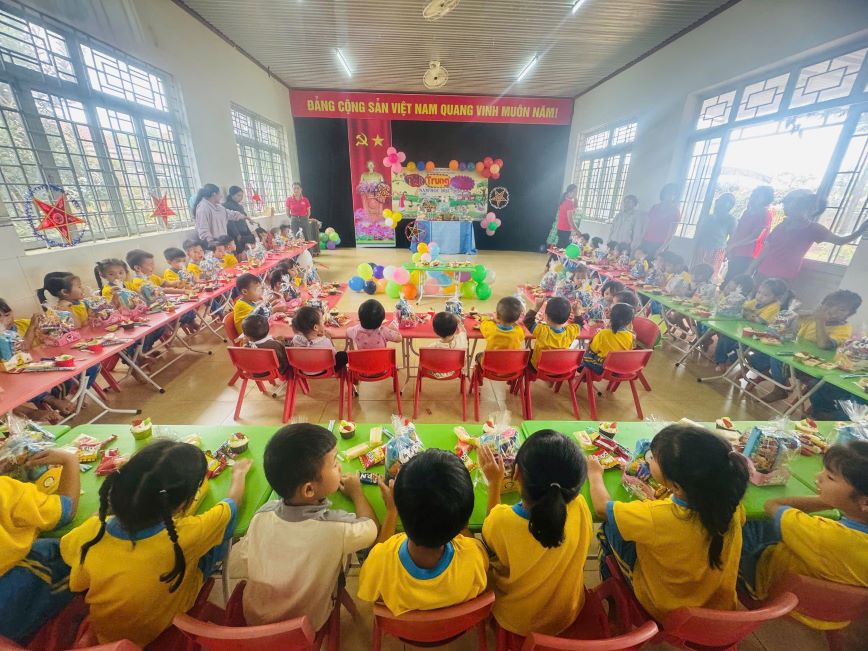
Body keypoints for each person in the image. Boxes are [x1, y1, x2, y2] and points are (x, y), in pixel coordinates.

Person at [59, 440, 251, 646]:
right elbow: (232, 505)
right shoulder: (188, 533)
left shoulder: (91, 530)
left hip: (107, 632)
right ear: (183, 503)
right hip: (162, 623)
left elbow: (76, 574)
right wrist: (238, 474)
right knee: (219, 538)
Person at [588, 424, 749, 622]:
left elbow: (602, 508)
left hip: (665, 608)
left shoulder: (656, 516)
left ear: (676, 486)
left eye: (653, 458)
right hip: (718, 608)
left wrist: (594, 475)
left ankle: (614, 603)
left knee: (609, 528)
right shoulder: (731, 504)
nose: (649, 459)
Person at [229, 424, 380, 627]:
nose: (340, 467)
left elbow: (247, 555)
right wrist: (356, 493)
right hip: (308, 623)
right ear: (309, 490)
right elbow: (371, 527)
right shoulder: (336, 528)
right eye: (335, 463)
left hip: (256, 618)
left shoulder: (261, 515)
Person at [740, 441, 868, 628]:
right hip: (837, 612)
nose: (818, 477)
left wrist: (827, 502)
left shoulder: (821, 532)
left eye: (830, 477)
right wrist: (843, 502)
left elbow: (772, 505)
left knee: (744, 524)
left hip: (777, 589)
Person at [479, 430, 592, 637]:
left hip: (518, 619)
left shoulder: (503, 520)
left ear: (516, 474)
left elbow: (490, 531)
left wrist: (494, 482)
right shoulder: (581, 506)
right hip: (567, 613)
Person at [357, 450, 488, 614]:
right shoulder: (474, 554)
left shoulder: (380, 559)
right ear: (464, 523)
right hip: (452, 627)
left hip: (403, 630)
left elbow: (368, 589)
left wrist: (391, 512)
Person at [0, 449, 80, 643]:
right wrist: (70, 461)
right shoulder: (6, 490)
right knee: (72, 551)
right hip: (7, 605)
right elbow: (66, 510)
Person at [749, 289, 861, 404]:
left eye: (842, 310)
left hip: (816, 367)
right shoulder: (813, 317)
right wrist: (812, 313)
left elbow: (823, 345)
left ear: (850, 314)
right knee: (761, 354)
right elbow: (793, 316)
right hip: (797, 357)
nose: (833, 311)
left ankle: (780, 388)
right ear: (822, 305)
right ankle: (777, 381)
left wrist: (820, 320)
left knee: (776, 359)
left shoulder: (844, 328)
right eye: (830, 306)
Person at [751, 190, 867, 281]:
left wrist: (860, 230)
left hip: (782, 277)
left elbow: (840, 241)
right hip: (762, 271)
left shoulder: (814, 229)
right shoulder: (782, 226)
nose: (789, 208)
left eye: (796, 206)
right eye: (787, 205)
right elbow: (766, 248)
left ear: (811, 209)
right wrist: (750, 270)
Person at [713, 278, 790, 370]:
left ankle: (730, 360)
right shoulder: (756, 301)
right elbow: (743, 305)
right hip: (745, 331)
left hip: (758, 337)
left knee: (741, 346)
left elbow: (758, 320)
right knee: (725, 337)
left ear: (776, 298)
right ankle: (721, 361)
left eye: (765, 295)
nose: (760, 296)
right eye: (759, 292)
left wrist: (745, 313)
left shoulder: (774, 306)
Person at [725, 186, 774, 282]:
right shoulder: (747, 212)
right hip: (736, 251)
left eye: (757, 196)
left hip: (749, 254)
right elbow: (737, 231)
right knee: (728, 280)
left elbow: (755, 237)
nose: (753, 198)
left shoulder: (765, 214)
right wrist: (730, 247)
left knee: (737, 283)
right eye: (753, 195)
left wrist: (733, 245)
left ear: (766, 200)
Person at [523, 297, 580, 369]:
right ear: (568, 318)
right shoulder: (571, 331)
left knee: (527, 354)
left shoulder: (542, 331)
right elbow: (580, 323)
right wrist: (577, 311)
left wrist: (536, 307)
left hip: (538, 367)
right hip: (558, 367)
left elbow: (527, 321)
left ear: (546, 316)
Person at [289, 306, 348, 371]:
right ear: (315, 328)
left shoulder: (296, 339)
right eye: (322, 321)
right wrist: (329, 339)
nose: (323, 323)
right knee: (343, 355)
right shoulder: (325, 342)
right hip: (324, 370)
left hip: (303, 370)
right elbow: (333, 357)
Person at [582, 303, 634, 374]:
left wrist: (588, 344)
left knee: (585, 353)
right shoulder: (631, 336)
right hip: (619, 368)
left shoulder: (603, 333)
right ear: (629, 321)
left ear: (610, 317)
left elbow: (593, 350)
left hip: (602, 368)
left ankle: (584, 372)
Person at [694, 193, 736, 276]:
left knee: (710, 274)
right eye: (721, 200)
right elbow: (700, 232)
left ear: (730, 206)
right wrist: (696, 246)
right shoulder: (709, 217)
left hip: (717, 250)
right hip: (702, 247)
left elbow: (732, 238)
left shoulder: (731, 220)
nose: (722, 203)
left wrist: (726, 252)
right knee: (696, 271)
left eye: (726, 201)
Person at [638, 183, 681, 256]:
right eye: (667, 193)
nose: (669, 196)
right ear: (663, 194)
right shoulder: (655, 207)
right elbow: (647, 224)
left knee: (653, 264)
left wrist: (663, 247)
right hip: (646, 240)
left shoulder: (675, 211)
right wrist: (641, 239)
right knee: (641, 263)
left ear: (675, 196)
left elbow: (672, 232)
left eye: (673, 194)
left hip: (659, 243)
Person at [546, 184, 578, 267]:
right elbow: (570, 220)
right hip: (565, 229)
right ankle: (555, 267)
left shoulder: (564, 200)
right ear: (570, 192)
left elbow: (570, 214)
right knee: (565, 250)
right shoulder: (569, 202)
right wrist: (577, 231)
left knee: (559, 249)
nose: (576, 193)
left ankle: (548, 266)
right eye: (575, 191)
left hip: (561, 229)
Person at [285, 182, 321, 256]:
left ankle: (310, 256)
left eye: (298, 188)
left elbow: (308, 212)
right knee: (296, 238)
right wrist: (294, 218)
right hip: (294, 220)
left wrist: (304, 218)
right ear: (292, 189)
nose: (296, 190)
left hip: (304, 219)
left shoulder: (305, 200)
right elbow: (288, 212)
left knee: (307, 237)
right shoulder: (289, 199)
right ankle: (299, 257)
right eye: (294, 188)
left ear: (301, 189)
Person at [222, 186, 255, 254]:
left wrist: (248, 231)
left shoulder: (240, 206)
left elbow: (244, 219)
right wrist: (237, 235)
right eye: (238, 195)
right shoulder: (226, 206)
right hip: (235, 234)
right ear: (232, 195)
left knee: (249, 252)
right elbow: (230, 222)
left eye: (242, 196)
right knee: (240, 253)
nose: (241, 198)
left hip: (244, 232)